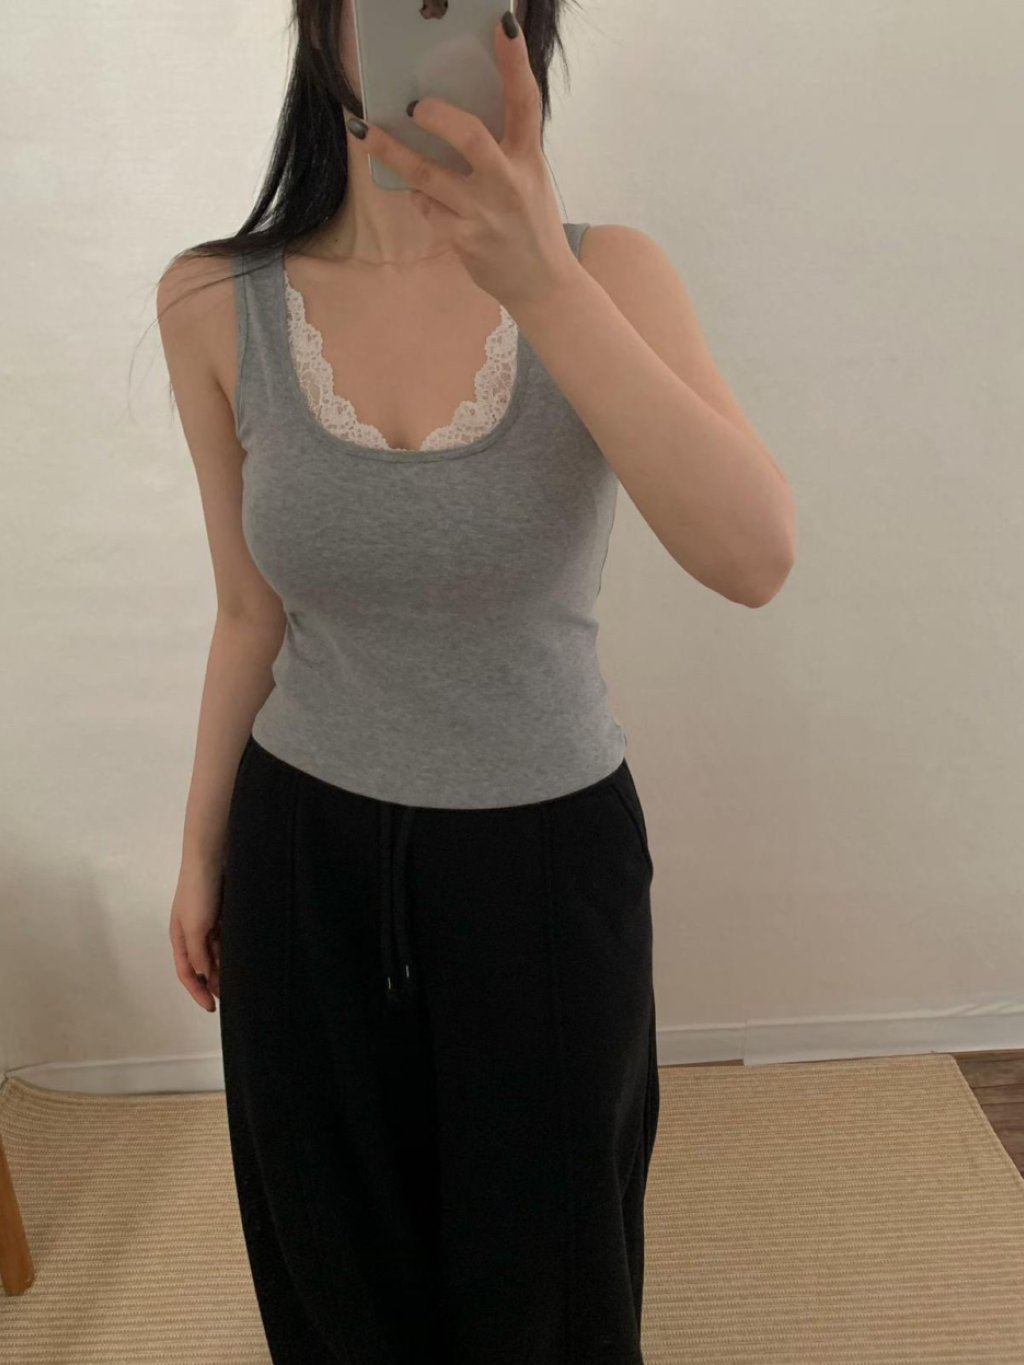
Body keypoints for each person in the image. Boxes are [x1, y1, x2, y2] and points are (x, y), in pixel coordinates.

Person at [156, 4, 795, 1361]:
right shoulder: (213, 301)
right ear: (321, 22)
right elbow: (247, 608)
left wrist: (544, 284)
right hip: (300, 858)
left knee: (550, 1295)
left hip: (543, 868)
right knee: (335, 1279)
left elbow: (754, 557)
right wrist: (202, 853)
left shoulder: (608, 273)